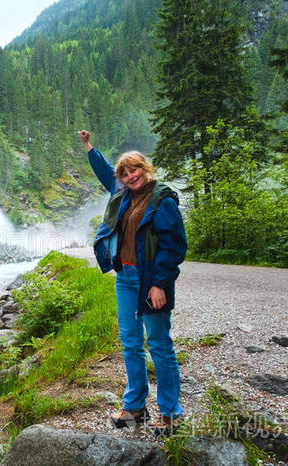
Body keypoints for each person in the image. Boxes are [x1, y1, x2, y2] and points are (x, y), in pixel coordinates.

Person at [78, 129, 186, 436]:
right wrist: (89, 146)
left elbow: (174, 245)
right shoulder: (123, 195)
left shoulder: (161, 199)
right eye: (124, 173)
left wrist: (160, 283)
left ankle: (170, 412)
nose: (129, 176)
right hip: (124, 277)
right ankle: (136, 406)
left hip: (151, 280)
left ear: (145, 168)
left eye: (134, 169)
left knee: (159, 344)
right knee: (130, 343)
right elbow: (104, 173)